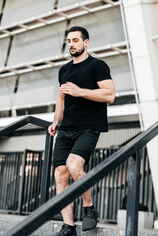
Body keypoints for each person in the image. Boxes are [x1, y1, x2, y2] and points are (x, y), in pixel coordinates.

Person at [48, 26, 115, 236]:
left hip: (89, 126)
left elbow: (110, 95)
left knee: (74, 165)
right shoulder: (64, 70)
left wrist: (81, 92)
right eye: (69, 41)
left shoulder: (97, 65)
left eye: (75, 40)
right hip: (66, 128)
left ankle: (89, 208)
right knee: (60, 175)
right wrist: (56, 121)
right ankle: (69, 227)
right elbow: (62, 98)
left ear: (86, 42)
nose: (71, 44)